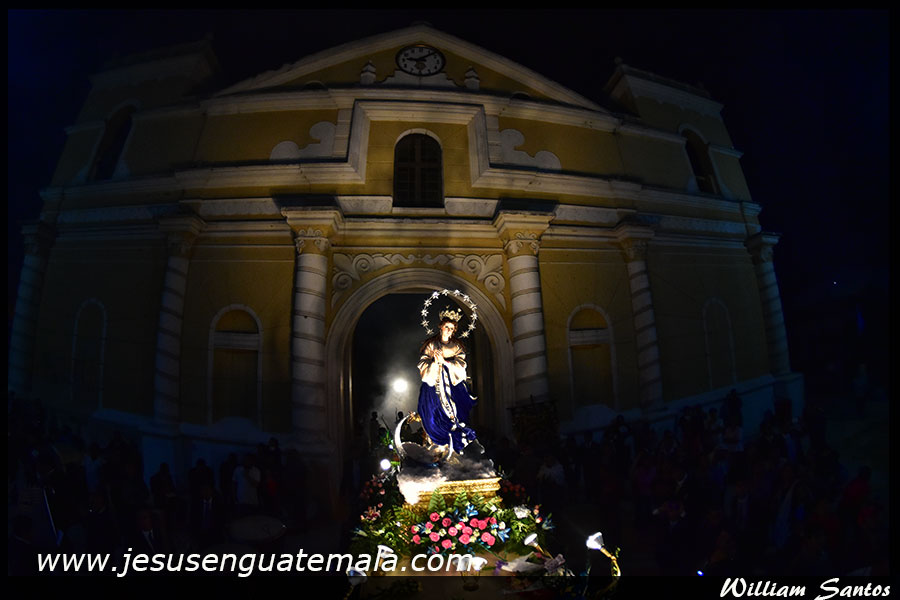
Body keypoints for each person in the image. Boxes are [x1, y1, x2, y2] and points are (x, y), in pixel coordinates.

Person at [416, 311, 477, 451]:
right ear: (441, 327)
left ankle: (456, 440)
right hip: (434, 382)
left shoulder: (456, 346)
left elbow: (461, 365)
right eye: (446, 327)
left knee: (456, 411)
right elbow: (423, 363)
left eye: (452, 328)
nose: (449, 330)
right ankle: (438, 442)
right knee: (432, 410)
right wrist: (434, 363)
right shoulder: (431, 345)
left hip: (452, 383)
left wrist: (445, 362)